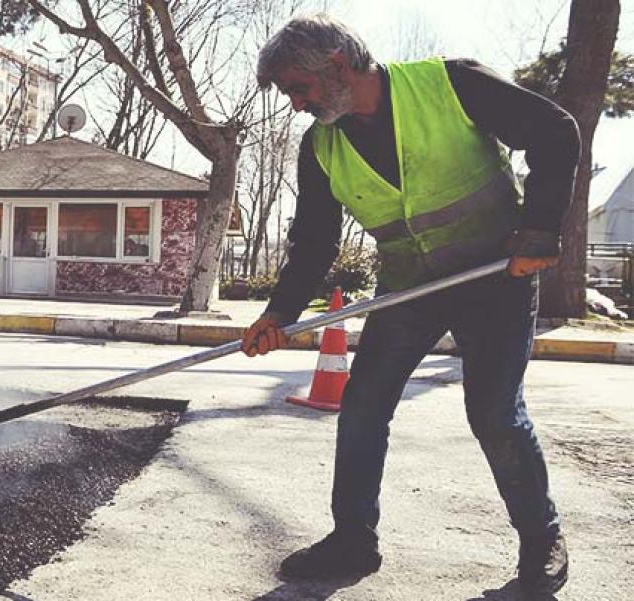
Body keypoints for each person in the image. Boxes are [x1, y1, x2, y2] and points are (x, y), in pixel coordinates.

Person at [245, 14, 576, 595]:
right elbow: (316, 240)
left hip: (495, 276)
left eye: (300, 87)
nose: (296, 104)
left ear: (339, 66)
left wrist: (540, 230)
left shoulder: (454, 83)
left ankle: (542, 541)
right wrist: (281, 314)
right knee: (364, 405)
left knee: (496, 415)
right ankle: (352, 539)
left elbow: (555, 131)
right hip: (410, 289)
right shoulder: (320, 144)